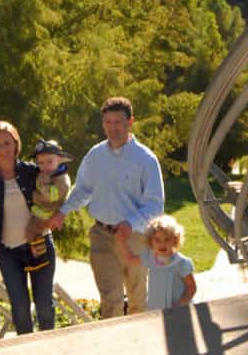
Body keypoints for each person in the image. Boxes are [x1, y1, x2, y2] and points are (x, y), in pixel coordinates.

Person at [50, 96, 164, 319]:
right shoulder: (95, 156)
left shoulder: (146, 159)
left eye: (118, 122)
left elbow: (155, 204)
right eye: (108, 122)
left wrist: (130, 224)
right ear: (103, 124)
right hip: (101, 236)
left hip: (135, 238)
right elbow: (83, 190)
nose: (113, 128)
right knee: (110, 301)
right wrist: (63, 211)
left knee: (137, 302)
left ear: (130, 122)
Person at [0, 120, 56, 334]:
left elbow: (54, 195)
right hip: (8, 251)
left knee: (44, 306)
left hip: (39, 245)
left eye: (7, 143)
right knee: (20, 310)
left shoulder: (32, 172)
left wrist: (53, 214)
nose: (3, 149)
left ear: (16, 144)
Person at [116, 215, 196, 310]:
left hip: (178, 310)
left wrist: (180, 305)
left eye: (167, 239)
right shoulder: (151, 258)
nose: (162, 244)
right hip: (156, 309)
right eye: (157, 240)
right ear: (151, 241)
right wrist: (121, 242)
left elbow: (191, 288)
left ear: (175, 240)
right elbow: (130, 259)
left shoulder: (181, 263)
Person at [26, 139, 73, 258]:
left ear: (60, 160)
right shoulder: (50, 174)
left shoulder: (62, 179)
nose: (45, 166)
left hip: (48, 212)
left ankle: (39, 255)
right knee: (33, 231)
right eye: (40, 163)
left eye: (49, 161)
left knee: (32, 231)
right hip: (43, 209)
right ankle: (38, 251)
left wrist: (43, 186)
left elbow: (52, 197)